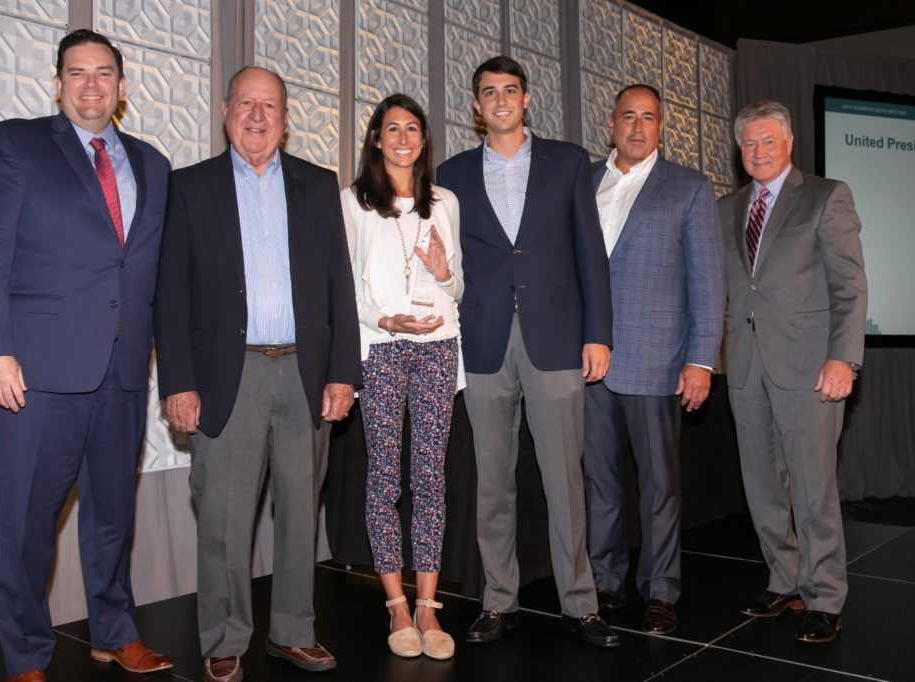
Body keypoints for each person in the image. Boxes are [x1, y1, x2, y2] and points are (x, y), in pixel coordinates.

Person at [0, 29, 173, 682]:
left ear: (122, 87)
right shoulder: (16, 145)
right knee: (27, 522)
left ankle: (114, 632)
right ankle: (25, 652)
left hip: (125, 370)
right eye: (75, 73)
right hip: (37, 374)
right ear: (56, 84)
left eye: (103, 73)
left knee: (113, 516)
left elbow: (153, 270)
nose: (90, 85)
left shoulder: (154, 165)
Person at [153, 66, 362, 682]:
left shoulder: (318, 186)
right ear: (225, 112)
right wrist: (179, 384)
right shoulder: (189, 188)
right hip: (228, 379)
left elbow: (337, 288)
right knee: (223, 516)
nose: (257, 116)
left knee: (302, 512)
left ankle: (294, 631)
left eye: (269, 106)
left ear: (286, 117)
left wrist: (342, 372)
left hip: (304, 373)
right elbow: (171, 296)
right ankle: (224, 639)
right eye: (246, 103)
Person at [436, 55, 618, 648]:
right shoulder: (452, 173)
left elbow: (591, 253)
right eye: (488, 92)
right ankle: (498, 599)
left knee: (565, 476)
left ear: (527, 98)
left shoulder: (569, 162)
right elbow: (446, 260)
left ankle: (581, 604)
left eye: (510, 90)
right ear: (476, 105)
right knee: (492, 479)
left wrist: (599, 333)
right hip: (483, 342)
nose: (501, 100)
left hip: (558, 339)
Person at [719, 100, 867, 644]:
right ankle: (784, 578)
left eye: (768, 141)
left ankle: (825, 594)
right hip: (746, 367)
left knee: (812, 485)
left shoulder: (827, 197)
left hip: (811, 367)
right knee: (760, 483)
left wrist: (843, 358)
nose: (758, 151)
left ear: (789, 143)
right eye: (749, 143)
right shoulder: (726, 208)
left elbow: (849, 286)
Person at [582, 84, 725, 635]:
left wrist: (701, 360)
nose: (638, 128)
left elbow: (708, 283)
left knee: (660, 483)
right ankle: (604, 579)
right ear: (611, 122)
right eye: (628, 117)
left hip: (658, 361)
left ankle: (661, 589)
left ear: (661, 126)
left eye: (649, 118)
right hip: (590, 361)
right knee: (600, 478)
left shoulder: (689, 188)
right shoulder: (585, 181)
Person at [340, 93, 463, 660]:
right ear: (376, 139)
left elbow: (456, 287)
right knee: (385, 479)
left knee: (431, 478)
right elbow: (349, 290)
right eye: (393, 128)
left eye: (413, 128)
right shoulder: (354, 203)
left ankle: (428, 604)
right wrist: (384, 317)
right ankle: (394, 601)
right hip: (384, 348)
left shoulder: (446, 203)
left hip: (438, 348)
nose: (403, 138)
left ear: (423, 139)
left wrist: (445, 273)